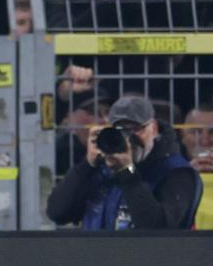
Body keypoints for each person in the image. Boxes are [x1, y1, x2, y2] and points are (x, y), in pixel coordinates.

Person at [46, 96, 201, 230]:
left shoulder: (176, 172)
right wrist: (86, 165)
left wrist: (127, 173)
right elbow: (57, 213)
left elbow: (159, 230)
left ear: (153, 129)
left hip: (151, 263)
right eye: (121, 130)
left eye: (136, 129)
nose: (129, 138)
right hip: (97, 260)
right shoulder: (101, 170)